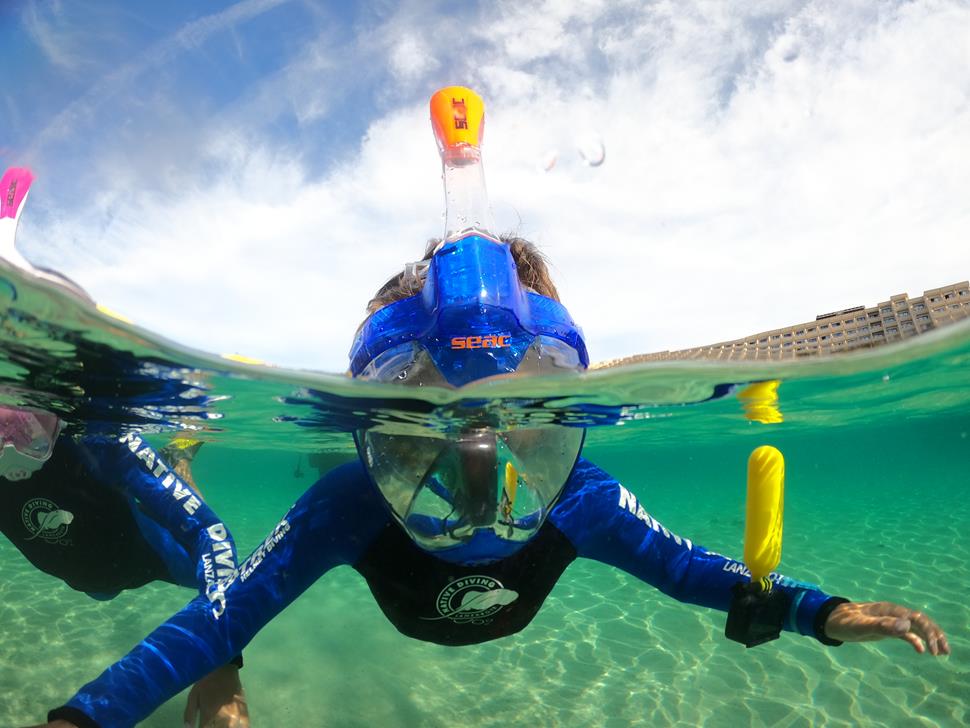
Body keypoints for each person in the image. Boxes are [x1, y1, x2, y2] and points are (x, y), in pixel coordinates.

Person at [30, 87, 949, 728]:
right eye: (423, 411)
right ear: (370, 417)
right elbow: (226, 613)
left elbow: (692, 571)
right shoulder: (351, 503)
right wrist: (85, 716)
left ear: (564, 402)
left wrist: (820, 611)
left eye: (519, 413)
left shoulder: (577, 498)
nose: (481, 464)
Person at [0, 409, 249, 727]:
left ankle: (176, 457)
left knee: (211, 561)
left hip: (150, 555)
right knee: (101, 591)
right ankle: (163, 472)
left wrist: (222, 659)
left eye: (24, 427)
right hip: (93, 578)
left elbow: (213, 540)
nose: (9, 450)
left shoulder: (101, 441)